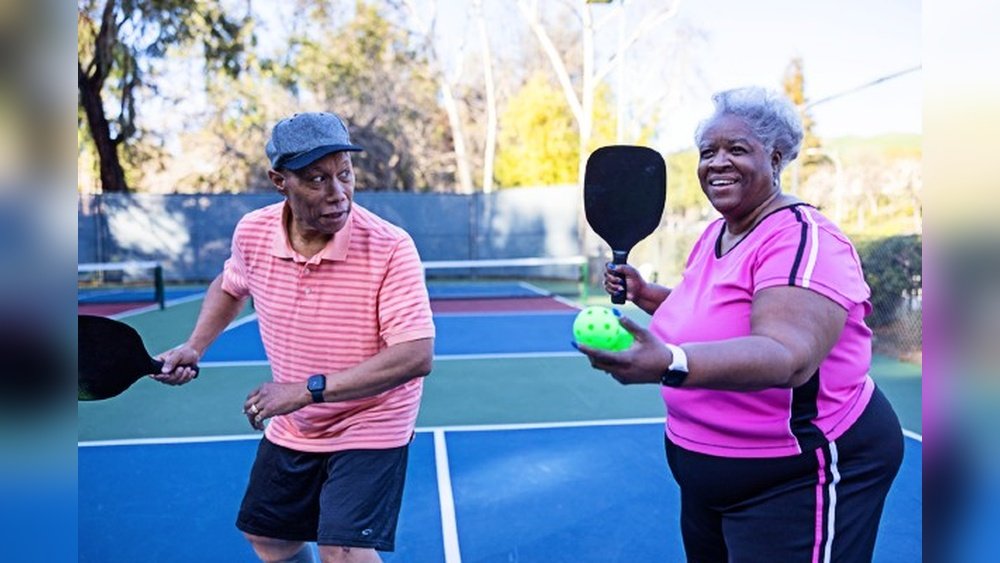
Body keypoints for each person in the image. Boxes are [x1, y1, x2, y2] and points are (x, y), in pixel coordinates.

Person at [576, 87, 903, 562]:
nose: (717, 163)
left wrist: (671, 362)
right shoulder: (718, 232)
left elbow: (787, 355)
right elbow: (713, 315)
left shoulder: (803, 239)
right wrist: (649, 296)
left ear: (774, 158)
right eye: (708, 152)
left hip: (795, 475)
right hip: (706, 476)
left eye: (736, 149)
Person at [154, 111, 436, 563]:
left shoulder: (390, 246)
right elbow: (231, 285)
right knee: (271, 541)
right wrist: (194, 346)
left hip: (372, 418)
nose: (338, 193)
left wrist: (307, 391)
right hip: (297, 422)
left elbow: (415, 356)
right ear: (279, 181)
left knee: (342, 552)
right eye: (316, 179)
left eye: (345, 174)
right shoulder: (253, 232)